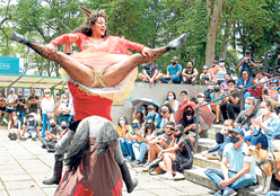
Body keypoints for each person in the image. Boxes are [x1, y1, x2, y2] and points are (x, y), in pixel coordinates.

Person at [12, 7, 187, 194]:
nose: (104, 26)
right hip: (86, 80)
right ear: (92, 24)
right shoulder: (81, 43)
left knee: (137, 57)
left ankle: (168, 47)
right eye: (100, 23)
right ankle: (26, 41)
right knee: (60, 146)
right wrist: (54, 44)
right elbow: (64, 41)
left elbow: (135, 47)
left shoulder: (114, 41)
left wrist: (145, 49)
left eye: (105, 24)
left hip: (107, 79)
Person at [205, 128, 257, 196]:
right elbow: (224, 164)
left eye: (235, 134)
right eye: (232, 134)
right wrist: (226, 178)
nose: (232, 136)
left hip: (244, 176)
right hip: (231, 173)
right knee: (209, 171)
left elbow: (246, 169)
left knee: (249, 178)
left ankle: (223, 190)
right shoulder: (228, 146)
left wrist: (230, 181)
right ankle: (227, 189)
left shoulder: (247, 148)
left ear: (241, 137)